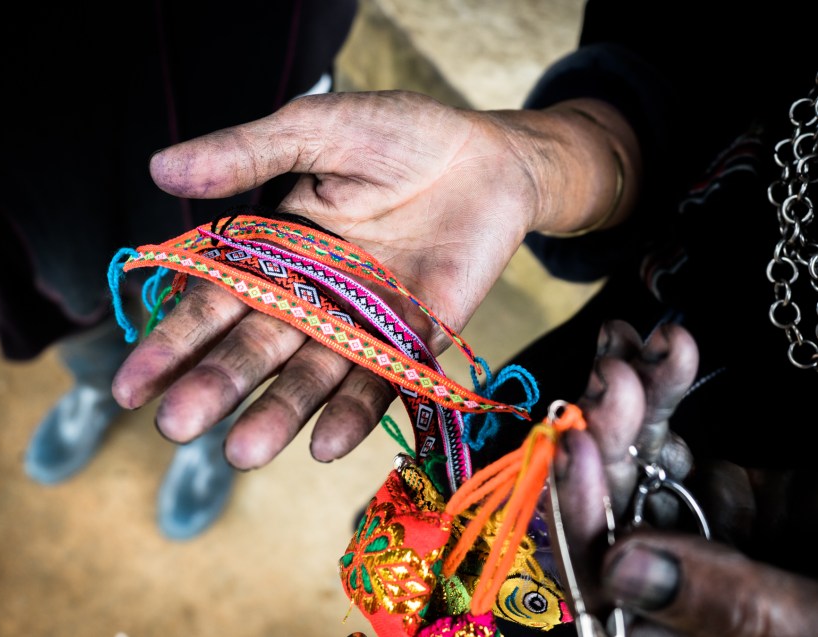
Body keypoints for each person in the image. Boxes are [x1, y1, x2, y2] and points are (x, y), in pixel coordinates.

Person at [107, 0, 818, 632]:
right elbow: (690, 47)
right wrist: (533, 162)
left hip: (608, 483)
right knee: (438, 544)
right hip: (573, 410)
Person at [0, 0, 357, 540]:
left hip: (225, 49)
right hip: (24, 80)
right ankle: (96, 382)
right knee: (62, 269)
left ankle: (211, 432)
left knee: (235, 288)